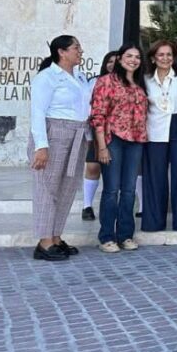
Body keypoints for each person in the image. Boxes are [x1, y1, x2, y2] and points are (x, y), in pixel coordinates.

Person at [29, 35, 91, 261]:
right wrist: (41, 147)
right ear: (62, 52)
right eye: (76, 47)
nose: (80, 51)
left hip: (77, 134)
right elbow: (37, 112)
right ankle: (44, 242)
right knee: (47, 187)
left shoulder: (80, 77)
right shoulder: (47, 77)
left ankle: (56, 236)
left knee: (67, 187)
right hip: (54, 133)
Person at [90, 43, 149, 253]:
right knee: (111, 189)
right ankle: (106, 236)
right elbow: (97, 115)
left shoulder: (140, 84)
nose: (133, 60)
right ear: (120, 58)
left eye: (137, 57)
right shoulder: (106, 81)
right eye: (129, 56)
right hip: (113, 139)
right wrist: (102, 147)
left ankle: (125, 234)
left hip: (136, 141)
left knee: (129, 190)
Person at [141, 40, 177, 233]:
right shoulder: (146, 78)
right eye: (161, 55)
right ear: (153, 58)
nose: (165, 58)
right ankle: (153, 223)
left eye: (169, 55)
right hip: (154, 128)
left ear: (174, 58)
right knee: (155, 176)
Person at [80, 49, 118, 222]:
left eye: (116, 61)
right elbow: (87, 104)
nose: (112, 64)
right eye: (109, 61)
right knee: (93, 167)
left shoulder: (128, 82)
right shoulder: (94, 81)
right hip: (98, 130)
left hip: (119, 132)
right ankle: (87, 206)